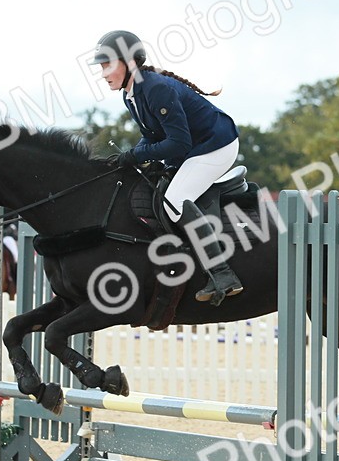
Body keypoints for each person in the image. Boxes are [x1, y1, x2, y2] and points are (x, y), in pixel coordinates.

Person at [91, 29, 244, 304]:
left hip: (215, 146)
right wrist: (130, 158)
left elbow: (178, 143)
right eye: (102, 66)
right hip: (192, 147)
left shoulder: (156, 88)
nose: (103, 73)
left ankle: (222, 273)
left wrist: (135, 156)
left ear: (130, 63)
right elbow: (152, 136)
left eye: (108, 65)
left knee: (174, 202)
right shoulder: (130, 94)